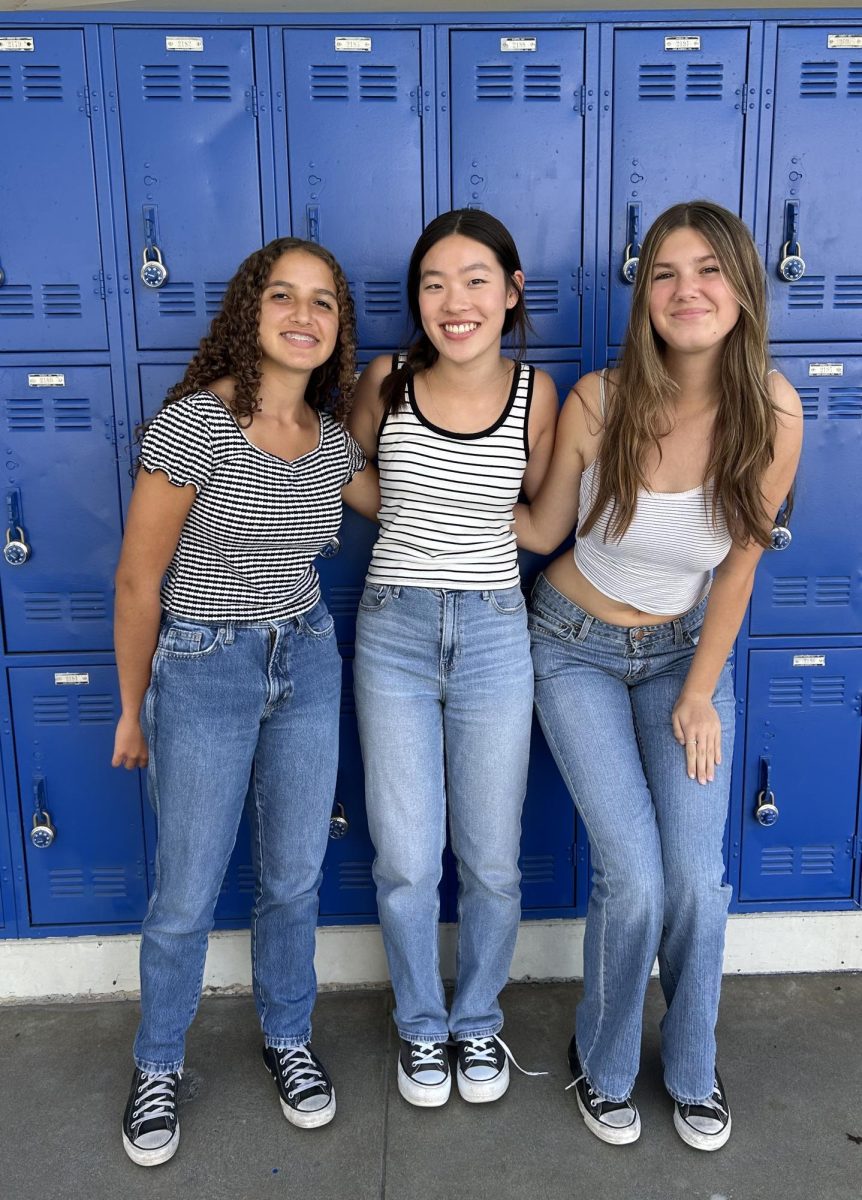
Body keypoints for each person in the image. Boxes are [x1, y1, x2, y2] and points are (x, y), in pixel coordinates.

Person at [515, 200, 802, 1150]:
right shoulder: (603, 400)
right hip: (572, 645)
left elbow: (739, 566)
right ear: (645, 297)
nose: (688, 290)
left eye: (709, 270)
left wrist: (698, 693)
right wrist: (417, 487)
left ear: (744, 287)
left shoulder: (776, 411)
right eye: (668, 273)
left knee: (696, 876)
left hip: (684, 654)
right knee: (632, 877)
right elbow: (544, 532)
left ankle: (689, 1067)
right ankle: (600, 1065)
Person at [111, 237, 378, 1166]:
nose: (302, 317)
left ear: (339, 329)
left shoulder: (334, 441)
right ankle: (157, 1063)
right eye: (282, 298)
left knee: (294, 875)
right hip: (205, 665)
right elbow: (139, 581)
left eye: (323, 304)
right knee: (184, 889)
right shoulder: (195, 425)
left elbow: (410, 497)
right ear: (250, 314)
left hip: (306, 660)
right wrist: (131, 707)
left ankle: (288, 1037)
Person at [348, 209, 558, 1107]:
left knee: (492, 858)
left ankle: (478, 1022)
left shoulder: (537, 395)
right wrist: (407, 517)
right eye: (434, 283)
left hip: (494, 633)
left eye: (476, 279)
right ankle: (421, 1028)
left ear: (511, 293)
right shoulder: (386, 379)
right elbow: (340, 470)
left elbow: (547, 523)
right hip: (392, 630)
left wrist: (469, 529)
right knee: (403, 855)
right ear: (417, 302)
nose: (453, 300)